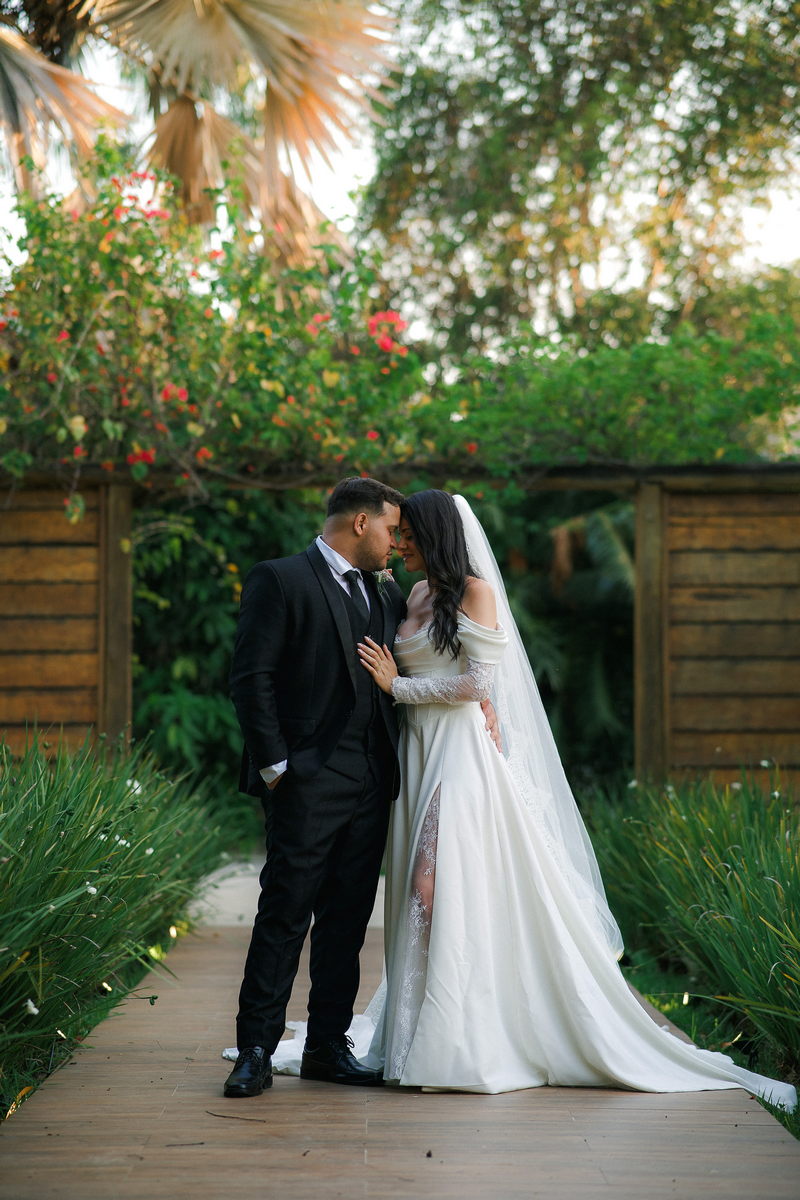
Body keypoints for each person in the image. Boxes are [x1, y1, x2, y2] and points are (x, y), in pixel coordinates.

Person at [355, 490, 796, 1109]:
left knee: (431, 887)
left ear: (435, 536)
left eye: (408, 535)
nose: (399, 544)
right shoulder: (415, 594)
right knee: (417, 889)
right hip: (418, 751)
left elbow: (480, 683)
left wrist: (397, 686)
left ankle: (464, 1032)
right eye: (397, 534)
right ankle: (417, 1038)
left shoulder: (475, 592)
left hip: (459, 755)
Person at [223, 477, 501, 1098]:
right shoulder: (280, 579)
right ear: (360, 523)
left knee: (347, 920)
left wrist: (486, 705)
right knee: (284, 914)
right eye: (391, 530)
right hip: (304, 782)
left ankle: (327, 1045)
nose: (396, 542)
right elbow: (251, 678)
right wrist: (276, 769)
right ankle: (255, 1050)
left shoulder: (389, 591)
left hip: (376, 780)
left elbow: (447, 660)